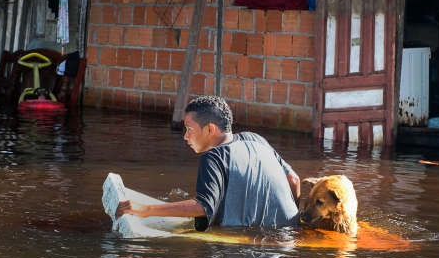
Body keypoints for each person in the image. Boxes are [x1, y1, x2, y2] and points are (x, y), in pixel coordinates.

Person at [115, 96, 301, 230]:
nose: (186, 136)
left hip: (247, 249)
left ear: (210, 129)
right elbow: (294, 180)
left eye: (189, 129)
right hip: (287, 239)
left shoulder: (213, 157)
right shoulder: (256, 139)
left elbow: (204, 207)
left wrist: (146, 209)